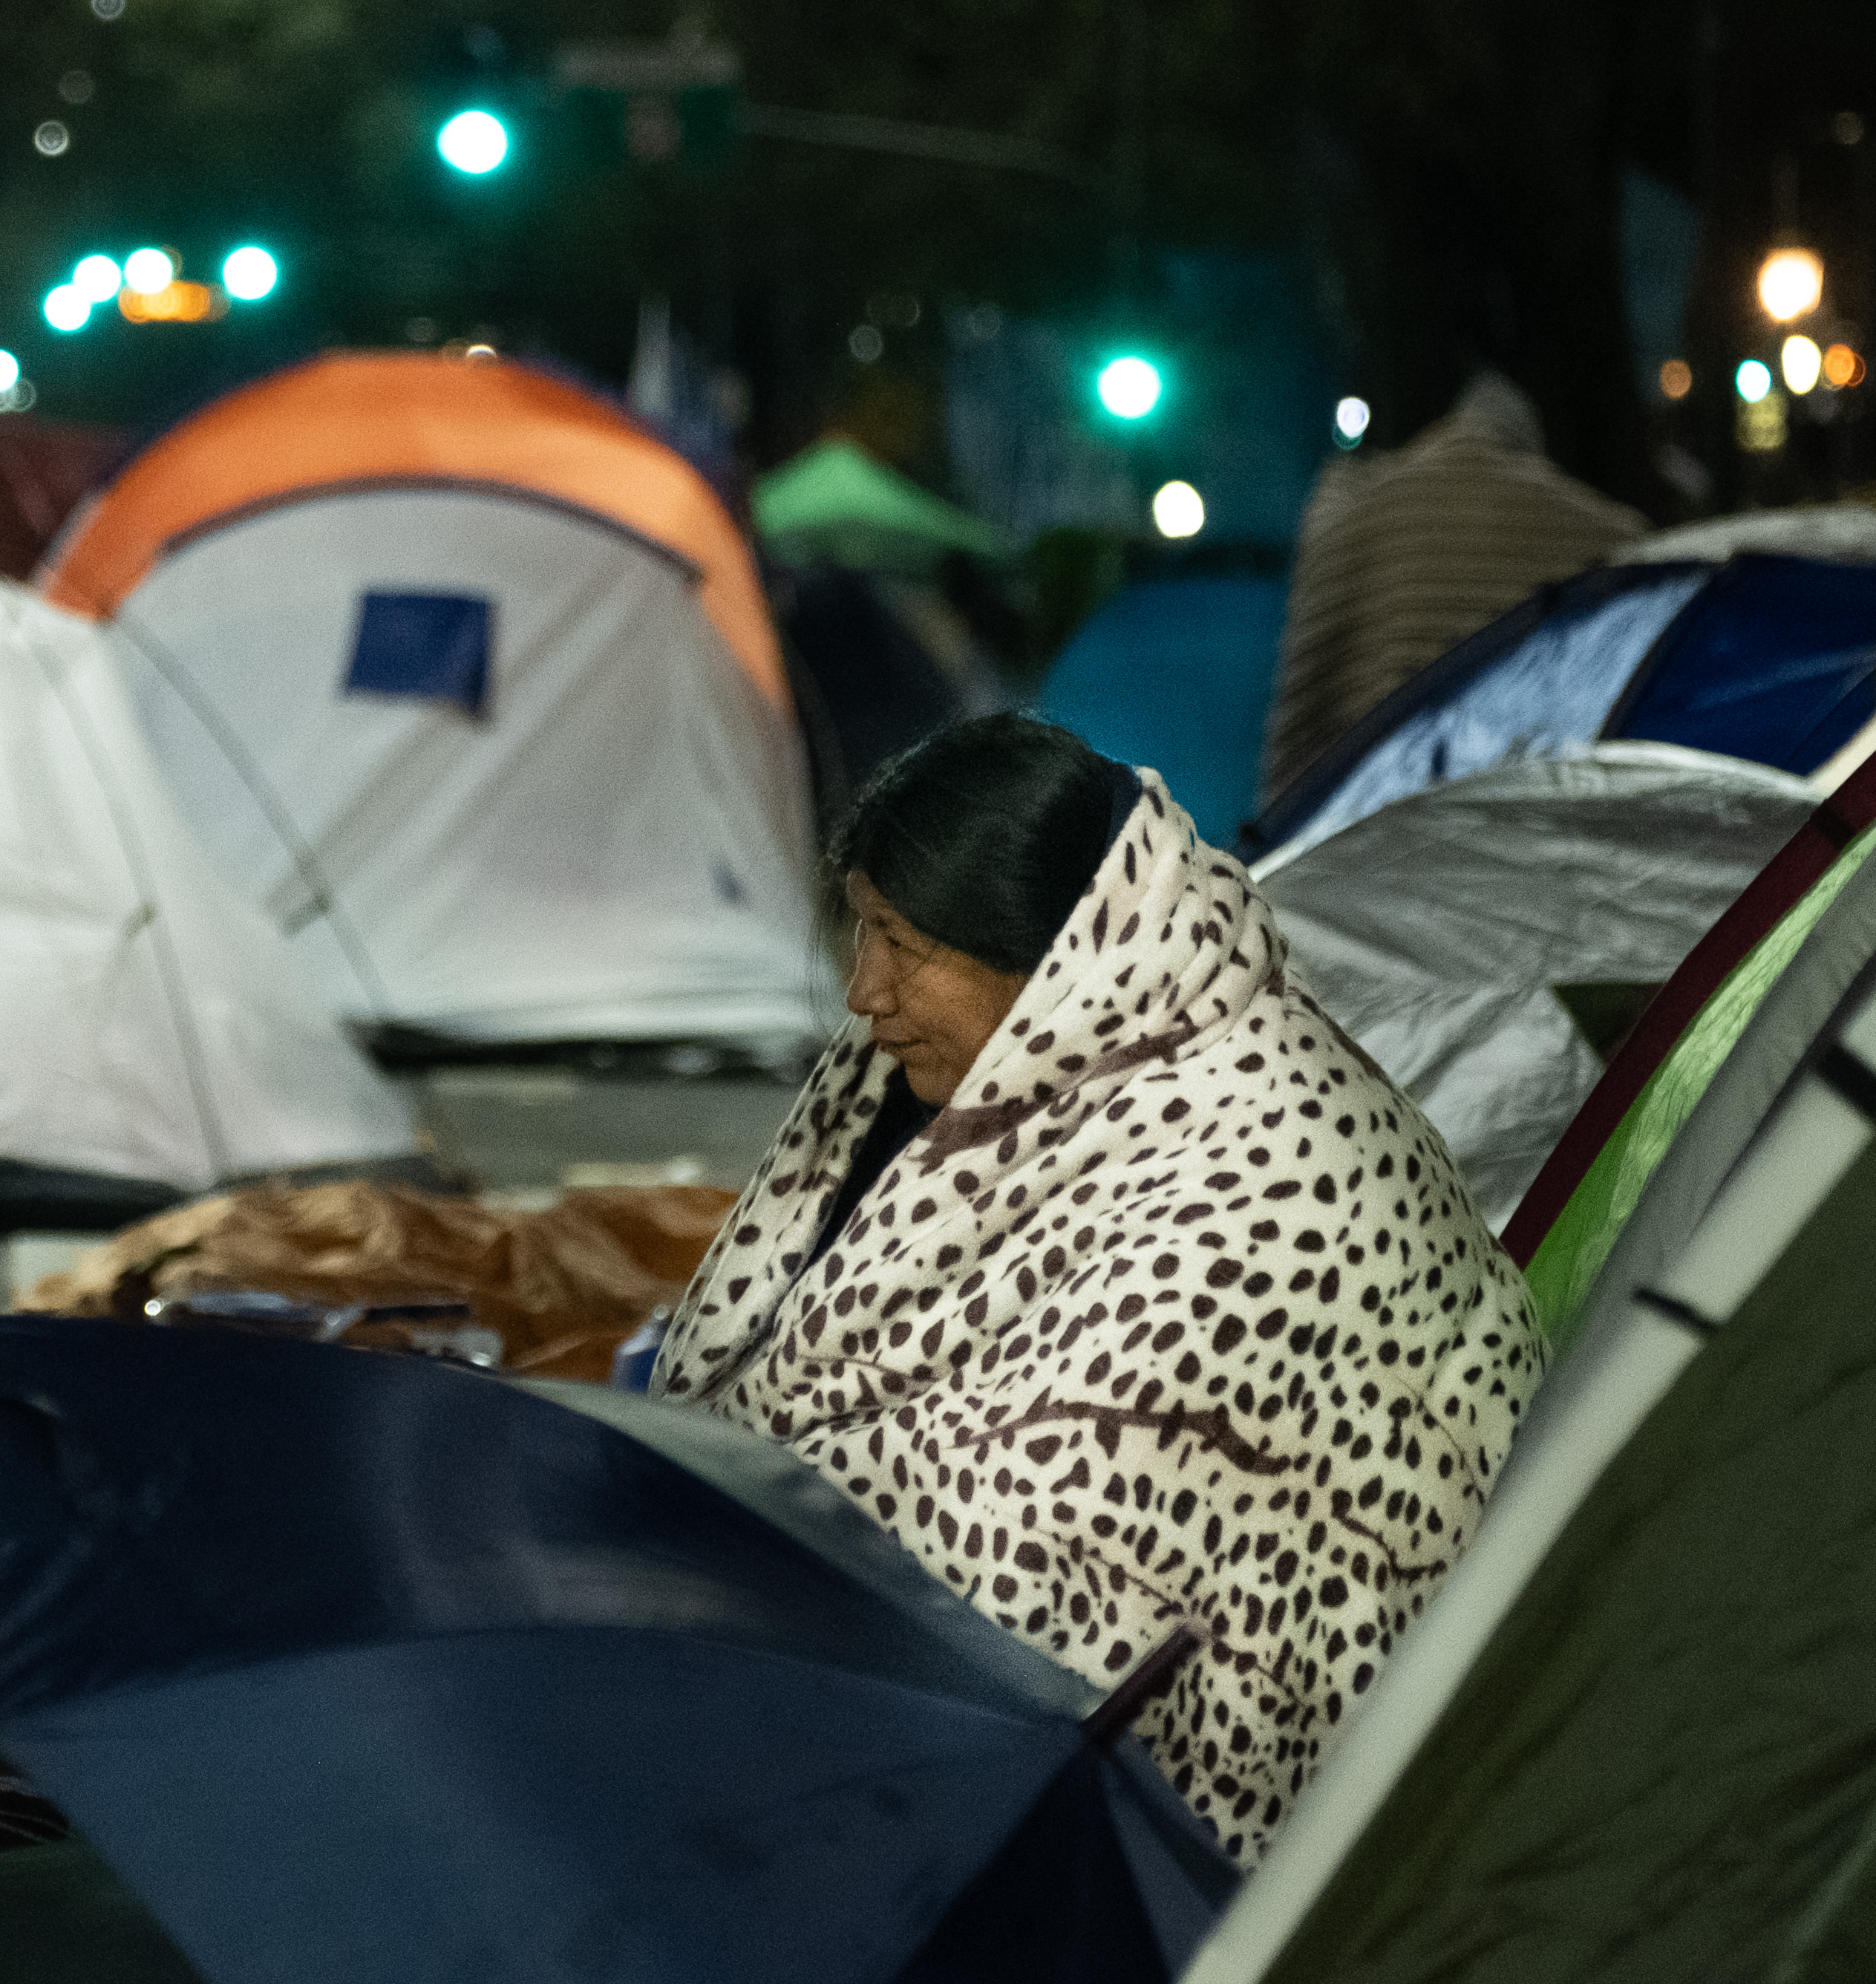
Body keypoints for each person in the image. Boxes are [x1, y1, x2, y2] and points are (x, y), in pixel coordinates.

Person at [651, 713, 1543, 1859]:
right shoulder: (1008, 1063)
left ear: (1040, 949)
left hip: (1227, 1800)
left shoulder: (1264, 1150)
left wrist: (722, 1539)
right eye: (856, 932)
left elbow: (1038, 1537)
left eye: (895, 940)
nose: (862, 992)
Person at [1258, 371, 1643, 806]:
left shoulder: (1344, 511)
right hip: (1525, 815)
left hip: (1362, 824)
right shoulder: (1607, 532)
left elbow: (1298, 728)